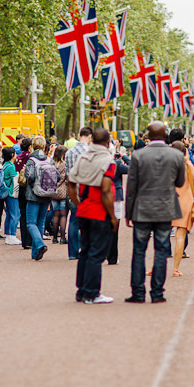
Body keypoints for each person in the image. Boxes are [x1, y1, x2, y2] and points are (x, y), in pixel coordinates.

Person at [125, 121, 186, 303]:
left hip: (142, 209)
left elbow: (131, 187)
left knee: (139, 251)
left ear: (149, 136)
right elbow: (180, 182)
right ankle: (157, 293)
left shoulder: (138, 155)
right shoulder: (175, 155)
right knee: (160, 251)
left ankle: (138, 292)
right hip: (165, 209)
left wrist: (129, 214)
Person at [67, 128, 118, 303]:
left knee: (85, 251)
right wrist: (112, 216)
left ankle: (81, 290)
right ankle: (92, 292)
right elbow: (106, 190)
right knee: (97, 253)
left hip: (84, 210)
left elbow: (71, 182)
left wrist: (77, 202)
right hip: (99, 211)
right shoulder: (108, 160)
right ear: (108, 141)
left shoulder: (83, 157)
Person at [24, 136, 60, 261]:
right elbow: (58, 177)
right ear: (45, 147)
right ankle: (36, 253)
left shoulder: (31, 160)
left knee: (30, 223)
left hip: (33, 194)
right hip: (47, 194)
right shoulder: (49, 160)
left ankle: (40, 244)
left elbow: (30, 176)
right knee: (40, 222)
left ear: (32, 146)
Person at [64, 127, 92, 260]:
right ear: (90, 137)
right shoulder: (90, 151)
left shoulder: (69, 152)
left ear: (79, 135)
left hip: (73, 190)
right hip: (87, 190)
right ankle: (86, 249)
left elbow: (67, 174)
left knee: (74, 221)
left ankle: (73, 252)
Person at [171, 141, 194, 277]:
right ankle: (175, 268)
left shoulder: (167, 164)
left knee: (162, 236)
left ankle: (155, 266)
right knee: (180, 237)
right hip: (185, 202)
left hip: (169, 200)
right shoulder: (187, 165)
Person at [107, 145, 129, 265]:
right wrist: (124, 157)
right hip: (116, 195)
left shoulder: (99, 162)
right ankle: (112, 256)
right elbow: (132, 169)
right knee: (115, 227)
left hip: (103, 195)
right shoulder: (117, 164)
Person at [1, 147, 21, 245]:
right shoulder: (11, 166)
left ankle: (8, 235)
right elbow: (15, 180)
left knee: (9, 214)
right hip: (12, 193)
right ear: (12, 155)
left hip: (6, 193)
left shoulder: (5, 165)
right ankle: (12, 235)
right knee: (16, 214)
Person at [15, 137, 33, 249]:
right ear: (30, 146)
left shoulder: (19, 157)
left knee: (23, 214)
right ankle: (29, 240)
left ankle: (24, 240)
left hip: (21, 186)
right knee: (29, 214)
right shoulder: (29, 157)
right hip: (28, 186)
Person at [50, 145, 69, 244]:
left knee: (55, 214)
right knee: (63, 215)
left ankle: (54, 238)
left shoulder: (51, 163)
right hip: (62, 191)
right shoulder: (64, 164)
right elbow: (64, 178)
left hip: (52, 191)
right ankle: (62, 237)